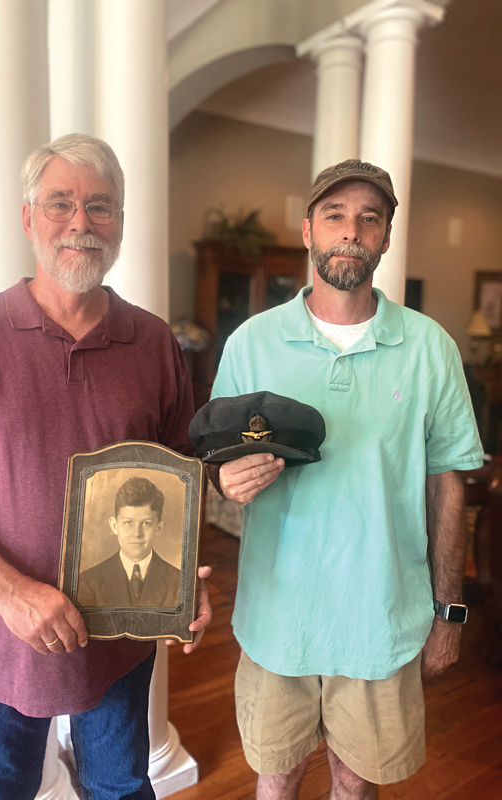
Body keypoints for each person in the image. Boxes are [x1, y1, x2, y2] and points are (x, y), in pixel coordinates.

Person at [0, 133, 211, 800]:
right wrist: (11, 593)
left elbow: (178, 469)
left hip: (119, 638)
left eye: (100, 206)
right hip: (2, 639)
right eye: (60, 203)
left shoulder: (154, 342)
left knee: (120, 788)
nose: (81, 223)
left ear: (120, 222)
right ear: (28, 217)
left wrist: (182, 576)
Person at [209, 159, 483, 799]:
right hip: (277, 616)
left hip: (381, 619)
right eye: (334, 216)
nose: (351, 231)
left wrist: (449, 613)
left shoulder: (431, 348)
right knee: (277, 774)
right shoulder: (251, 343)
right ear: (308, 231)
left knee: (356, 782)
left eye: (369, 218)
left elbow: (448, 484)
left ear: (385, 237)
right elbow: (219, 463)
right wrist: (226, 482)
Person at [78, 476, 181, 608]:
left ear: (158, 528)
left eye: (146, 523)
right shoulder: (88, 581)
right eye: (128, 523)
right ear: (114, 525)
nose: (137, 533)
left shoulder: (178, 581)